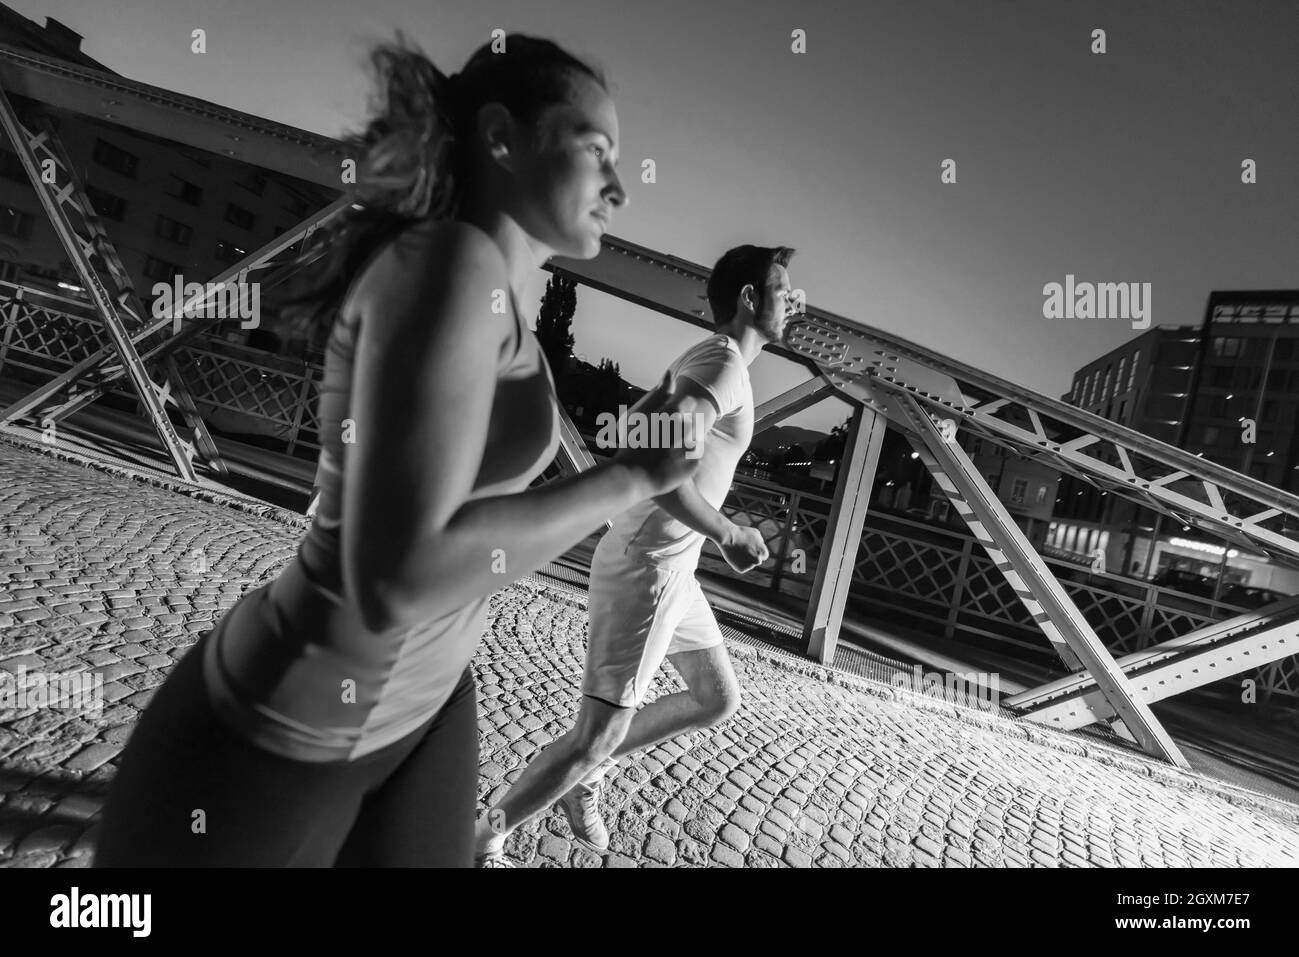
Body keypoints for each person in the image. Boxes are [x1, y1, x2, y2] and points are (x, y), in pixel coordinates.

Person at [94, 32, 700, 868]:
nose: (621, 187)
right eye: (594, 149)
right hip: (285, 736)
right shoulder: (449, 263)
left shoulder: (503, 288)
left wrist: (634, 460)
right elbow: (395, 580)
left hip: (426, 706)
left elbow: (476, 509)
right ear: (501, 137)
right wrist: (629, 478)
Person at [474, 244, 797, 866]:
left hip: (669, 565)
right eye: (783, 293)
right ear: (750, 299)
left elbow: (627, 437)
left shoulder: (709, 360)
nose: (795, 306)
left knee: (715, 697)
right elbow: (653, 461)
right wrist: (729, 533)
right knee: (595, 737)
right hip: (650, 571)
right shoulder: (724, 364)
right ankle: (484, 836)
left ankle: (588, 778)